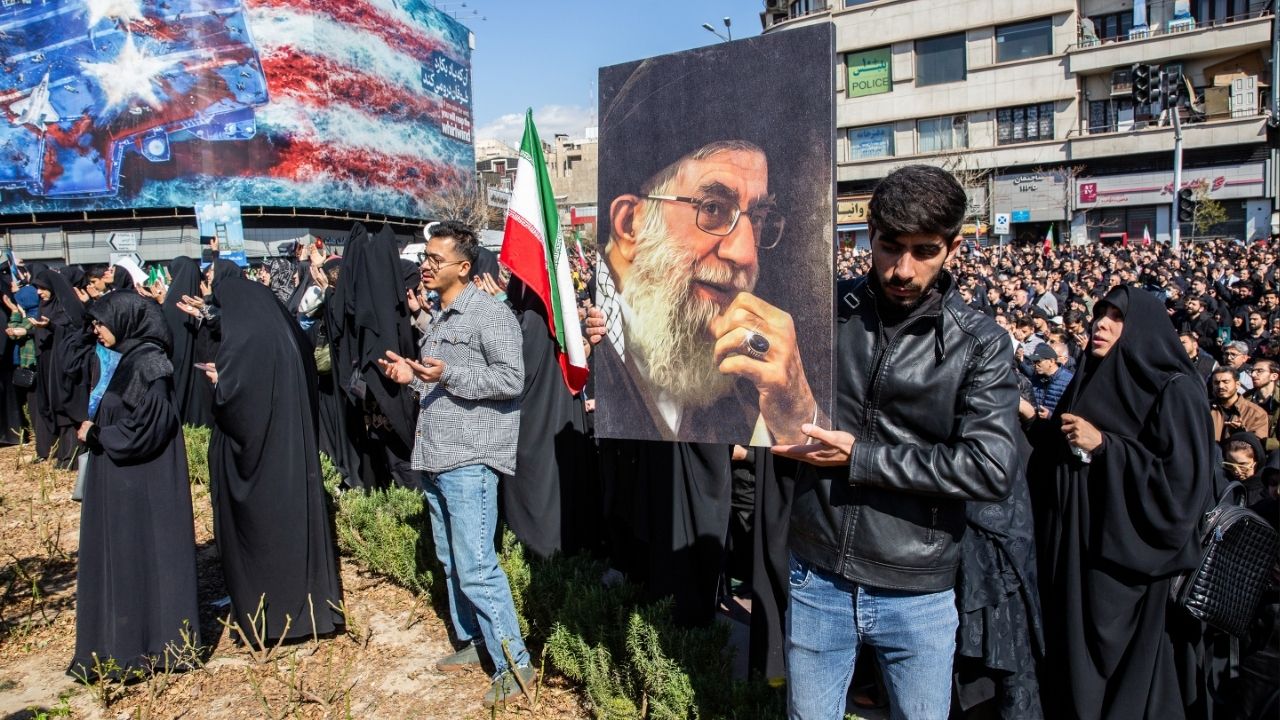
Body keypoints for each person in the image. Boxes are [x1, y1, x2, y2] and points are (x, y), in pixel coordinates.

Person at [772, 165, 1018, 720]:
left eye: (924, 251)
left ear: (953, 248)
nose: (903, 269)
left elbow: (990, 468)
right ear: (869, 237)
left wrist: (859, 457)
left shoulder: (979, 344)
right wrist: (614, 333)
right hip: (818, 572)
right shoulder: (825, 311)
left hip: (918, 590)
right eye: (890, 247)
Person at [1027, 285, 1215, 720]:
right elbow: (1062, 449)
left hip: (1130, 566)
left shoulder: (1176, 389)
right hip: (1077, 555)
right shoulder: (1091, 376)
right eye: (1100, 314)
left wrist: (1108, 448)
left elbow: (1181, 487)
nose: (1102, 323)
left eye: (1116, 316)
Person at [376, 220, 534, 707]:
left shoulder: (488, 314)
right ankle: (473, 641)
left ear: (463, 267)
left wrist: (451, 373)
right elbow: (441, 384)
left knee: (476, 566)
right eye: (425, 258)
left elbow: (512, 378)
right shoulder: (442, 317)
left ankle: (516, 664)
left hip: (471, 456)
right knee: (450, 559)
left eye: (434, 260)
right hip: (437, 454)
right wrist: (412, 376)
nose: (425, 266)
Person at [597, 138, 819, 445]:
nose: (745, 254)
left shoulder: (754, 366)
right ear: (630, 225)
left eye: (756, 218)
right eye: (712, 208)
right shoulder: (576, 346)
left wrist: (797, 416)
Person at [202, 271, 345, 643]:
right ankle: (309, 613)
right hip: (293, 455)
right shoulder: (284, 331)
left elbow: (237, 407)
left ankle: (273, 617)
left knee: (266, 540)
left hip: (260, 464)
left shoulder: (243, 340)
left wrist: (221, 385)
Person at [68, 291, 200, 681]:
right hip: (127, 483)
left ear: (125, 320)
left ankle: (144, 646)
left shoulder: (150, 364)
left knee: (140, 557)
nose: (96, 330)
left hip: (140, 485)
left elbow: (150, 426)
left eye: (101, 322)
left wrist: (98, 435)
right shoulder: (133, 359)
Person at [1208, 367, 1269, 443]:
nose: (1220, 386)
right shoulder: (1205, 408)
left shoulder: (1256, 413)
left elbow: (1258, 445)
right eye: (1216, 382)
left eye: (1226, 382)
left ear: (1237, 384)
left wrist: (1241, 434)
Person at [1028, 343, 1073, 417]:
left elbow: (1070, 411)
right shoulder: (1035, 378)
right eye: (1034, 362)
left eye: (1038, 361)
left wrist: (1050, 416)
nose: (1035, 365)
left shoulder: (1068, 380)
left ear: (1051, 361)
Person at [1246, 358, 1278, 450]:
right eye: (1252, 371)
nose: (1253, 375)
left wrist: (1265, 443)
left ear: (1274, 376)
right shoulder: (1244, 400)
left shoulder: (1277, 402)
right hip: (1248, 450)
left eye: (1260, 371)